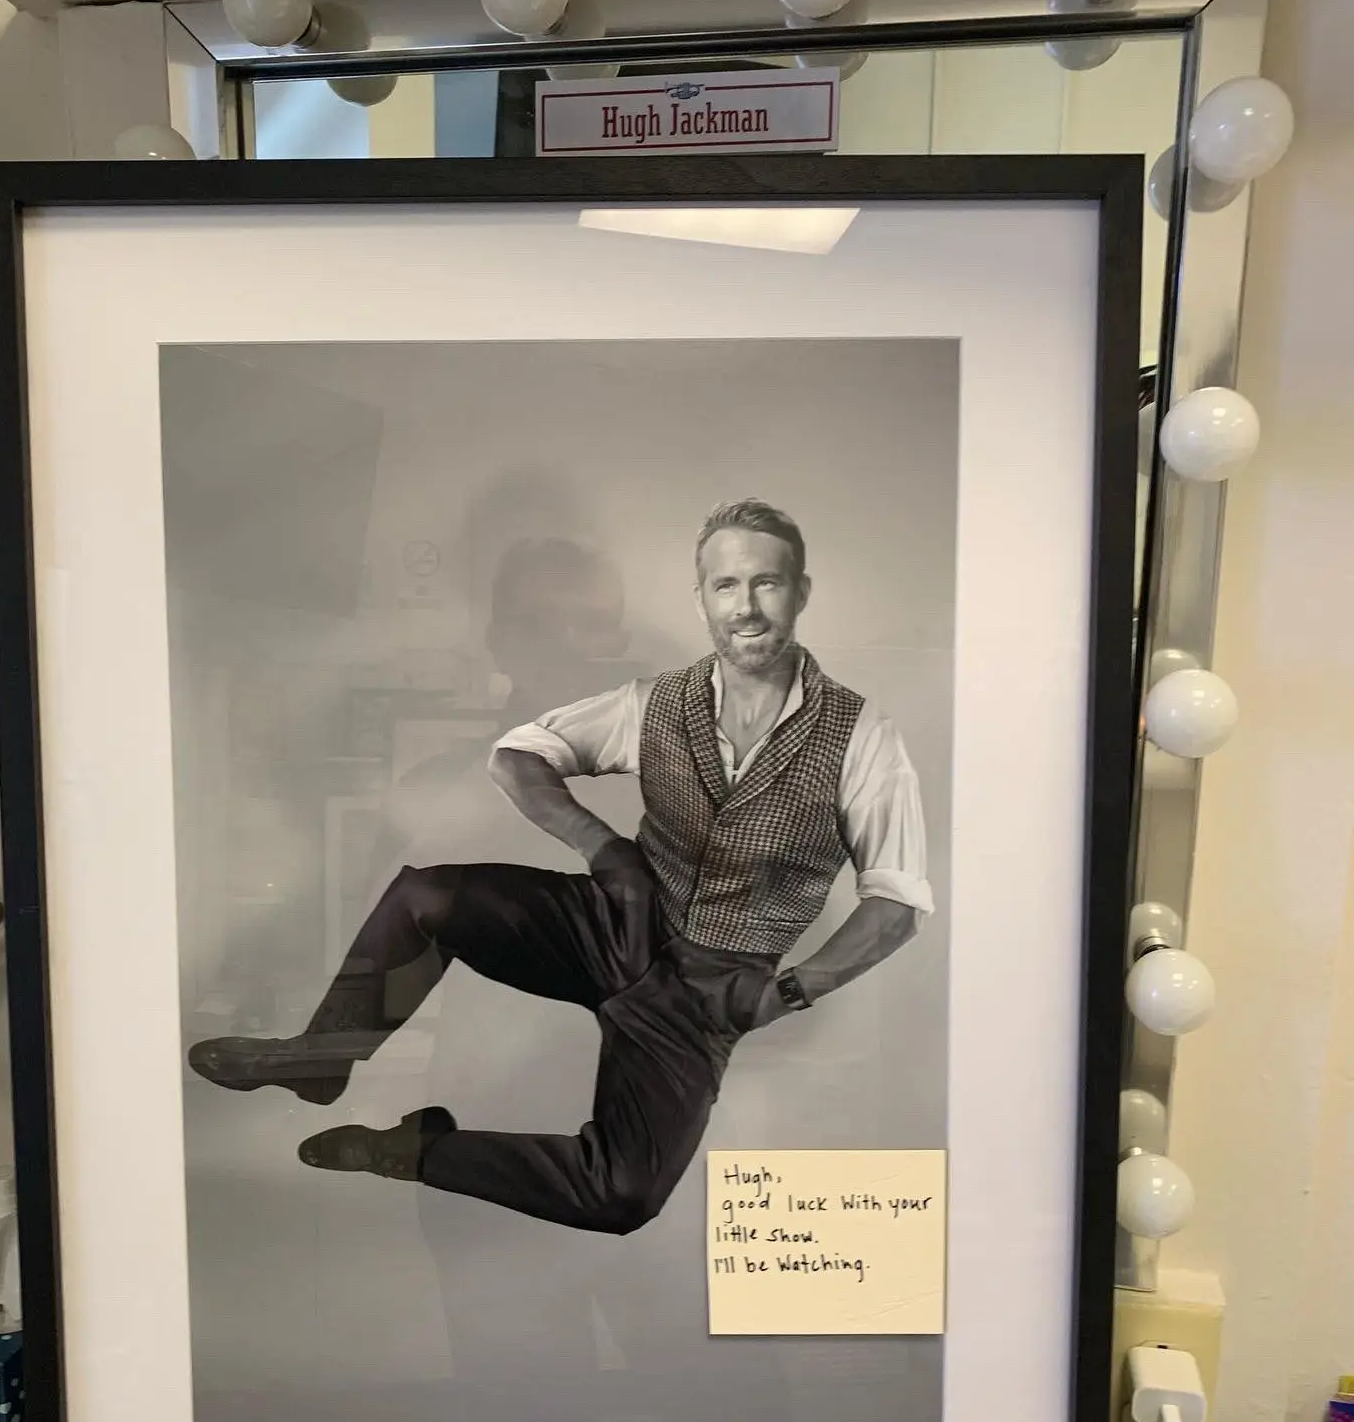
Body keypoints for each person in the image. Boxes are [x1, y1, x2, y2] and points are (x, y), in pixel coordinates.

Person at [188, 499, 933, 1235]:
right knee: (428, 897)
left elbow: (896, 903)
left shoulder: (862, 735)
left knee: (622, 1196)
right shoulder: (654, 702)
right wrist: (604, 849)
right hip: (615, 925)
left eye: (766, 582)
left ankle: (411, 1151)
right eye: (726, 585)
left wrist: (786, 993)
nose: (746, 606)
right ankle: (324, 1059)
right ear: (703, 598)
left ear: (800, 592)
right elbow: (518, 755)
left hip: (709, 990)